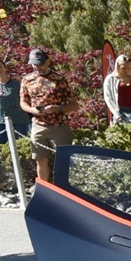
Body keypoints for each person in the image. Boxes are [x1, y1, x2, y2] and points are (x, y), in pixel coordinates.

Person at [19, 48, 78, 184]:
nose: (36, 67)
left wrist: (57, 108)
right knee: (40, 160)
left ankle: (63, 188)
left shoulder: (59, 79)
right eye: (33, 64)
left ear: (47, 62)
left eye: (39, 64)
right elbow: (23, 102)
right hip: (38, 125)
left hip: (59, 126)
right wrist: (33, 110)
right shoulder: (27, 80)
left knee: (63, 160)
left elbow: (74, 105)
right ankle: (44, 189)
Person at [0, 59, 30, 143]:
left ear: (5, 68)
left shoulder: (16, 84)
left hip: (19, 120)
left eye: (0, 66)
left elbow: (24, 100)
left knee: (19, 145)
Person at [102, 54, 131, 124]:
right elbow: (108, 98)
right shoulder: (110, 79)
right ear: (118, 67)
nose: (126, 71)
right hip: (121, 113)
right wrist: (117, 114)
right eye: (124, 68)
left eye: (129, 68)